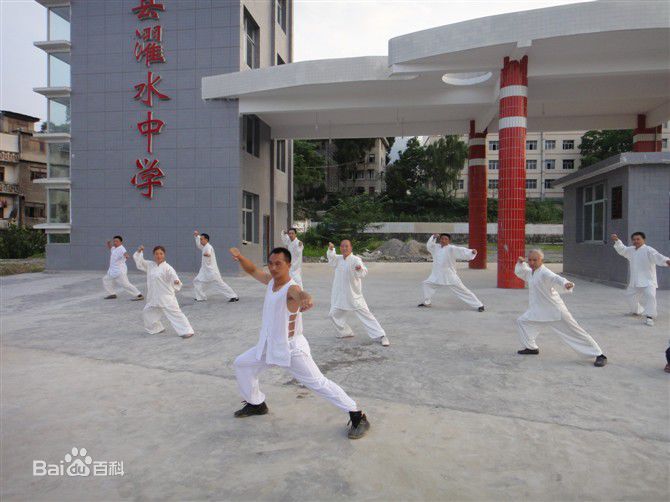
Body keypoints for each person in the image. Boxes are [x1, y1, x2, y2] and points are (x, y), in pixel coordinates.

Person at [229, 246, 371, 439]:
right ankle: (256, 404)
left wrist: (307, 299)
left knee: (319, 383)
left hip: (292, 349)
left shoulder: (291, 288)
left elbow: (300, 294)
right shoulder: (271, 282)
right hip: (269, 345)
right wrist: (240, 257)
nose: (273, 267)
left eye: (278, 264)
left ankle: (357, 415)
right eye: (270, 263)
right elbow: (253, 270)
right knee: (242, 364)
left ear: (288, 265)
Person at [515, 250, 607, 367]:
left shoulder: (545, 272)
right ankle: (531, 348)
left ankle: (599, 355)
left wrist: (566, 283)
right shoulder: (531, 272)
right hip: (538, 310)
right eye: (530, 260)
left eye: (535, 260)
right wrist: (520, 263)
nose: (532, 262)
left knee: (575, 332)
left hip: (555, 311)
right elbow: (522, 272)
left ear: (541, 260)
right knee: (523, 322)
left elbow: (556, 278)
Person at [327, 240, 390, 347]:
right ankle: (346, 332)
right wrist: (331, 249)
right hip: (340, 296)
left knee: (366, 316)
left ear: (351, 248)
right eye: (342, 246)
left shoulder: (356, 259)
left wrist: (359, 269)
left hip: (353, 296)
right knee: (333, 314)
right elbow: (331, 258)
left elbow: (363, 272)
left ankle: (381, 336)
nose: (344, 248)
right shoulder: (338, 259)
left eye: (346, 246)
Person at [133, 245, 194, 339]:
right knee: (147, 312)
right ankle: (157, 328)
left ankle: (187, 331)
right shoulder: (150, 265)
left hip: (166, 297)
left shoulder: (167, 267)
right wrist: (139, 252)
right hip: (154, 297)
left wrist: (176, 281)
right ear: (154, 255)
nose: (159, 255)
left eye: (161, 253)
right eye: (156, 254)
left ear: (164, 255)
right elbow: (140, 262)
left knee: (176, 314)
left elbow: (173, 276)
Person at [611, 232, 670, 327]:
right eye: (634, 239)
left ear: (643, 239)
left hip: (648, 280)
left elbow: (658, 257)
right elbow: (622, 249)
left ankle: (649, 317)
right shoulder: (631, 250)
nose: (636, 241)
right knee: (630, 296)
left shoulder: (648, 250)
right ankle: (637, 311)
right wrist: (617, 240)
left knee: (650, 296)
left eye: (638, 239)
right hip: (635, 280)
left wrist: (667, 261)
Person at [418, 233, 484, 311]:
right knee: (427, 284)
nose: (443, 240)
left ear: (449, 241)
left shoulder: (451, 248)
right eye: (442, 239)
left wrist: (471, 252)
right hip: (437, 275)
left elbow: (461, 251)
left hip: (450, 275)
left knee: (463, 291)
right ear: (440, 240)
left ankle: (479, 305)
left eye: (446, 239)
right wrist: (433, 237)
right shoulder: (436, 248)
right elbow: (429, 246)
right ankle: (427, 302)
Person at [193, 230, 239, 303]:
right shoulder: (204, 247)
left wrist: (207, 254)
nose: (200, 240)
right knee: (197, 281)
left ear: (206, 240)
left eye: (201, 239)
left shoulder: (208, 247)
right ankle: (200, 297)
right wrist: (196, 236)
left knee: (220, 284)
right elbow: (199, 245)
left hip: (211, 271)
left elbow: (208, 253)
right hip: (204, 271)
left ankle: (233, 296)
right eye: (200, 239)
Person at [102, 235, 144, 301]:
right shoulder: (114, 248)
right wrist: (108, 243)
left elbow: (126, 254)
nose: (115, 242)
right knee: (106, 279)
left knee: (125, 284)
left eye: (117, 241)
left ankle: (139, 295)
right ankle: (112, 294)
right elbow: (110, 248)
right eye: (114, 241)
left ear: (121, 242)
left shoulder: (122, 249)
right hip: (112, 270)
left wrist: (126, 256)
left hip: (120, 271)